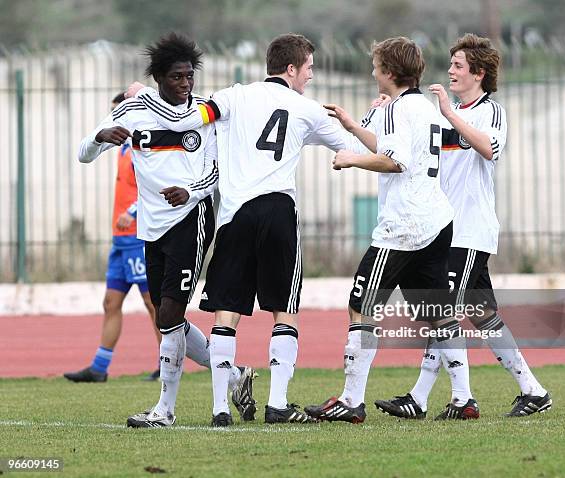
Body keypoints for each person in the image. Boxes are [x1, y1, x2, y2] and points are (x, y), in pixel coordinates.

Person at [126, 33, 351, 426]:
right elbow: (348, 147)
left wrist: (145, 97)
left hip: (233, 214)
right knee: (284, 310)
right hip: (278, 209)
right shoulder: (307, 108)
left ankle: (219, 410)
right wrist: (361, 138)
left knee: (225, 312)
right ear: (292, 69)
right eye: (310, 68)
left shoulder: (233, 96)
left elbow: (191, 116)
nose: (311, 76)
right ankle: (278, 404)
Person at [78, 33, 255, 428]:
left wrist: (189, 191)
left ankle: (165, 410)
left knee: (172, 310)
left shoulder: (203, 116)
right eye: (178, 77)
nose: (186, 84)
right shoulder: (134, 108)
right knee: (165, 318)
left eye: (190, 77)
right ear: (159, 76)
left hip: (192, 217)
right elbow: (83, 153)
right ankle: (236, 374)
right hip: (151, 225)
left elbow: (215, 172)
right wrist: (100, 136)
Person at [303, 36, 478, 423]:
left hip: (404, 226)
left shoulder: (399, 108)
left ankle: (351, 400)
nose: (372, 71)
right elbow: (392, 147)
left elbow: (394, 162)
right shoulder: (423, 106)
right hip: (436, 220)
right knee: (439, 313)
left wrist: (351, 159)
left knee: (360, 305)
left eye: (376, 66)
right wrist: (353, 125)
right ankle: (464, 398)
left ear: (390, 73)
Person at [406, 33, 551, 417]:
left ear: (479, 73)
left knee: (444, 310)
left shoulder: (490, 111)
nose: (451, 70)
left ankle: (422, 398)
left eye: (458, 65)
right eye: (451, 64)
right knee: (484, 316)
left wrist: (451, 114)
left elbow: (490, 149)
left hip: (470, 230)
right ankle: (533, 391)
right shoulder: (442, 112)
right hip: (444, 230)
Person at [64, 93, 161, 384]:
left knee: (152, 303)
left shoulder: (144, 150)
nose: (116, 120)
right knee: (110, 302)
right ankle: (99, 367)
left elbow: (154, 188)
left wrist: (132, 213)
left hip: (136, 236)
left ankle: (167, 364)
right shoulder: (120, 150)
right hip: (120, 240)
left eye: (120, 113)